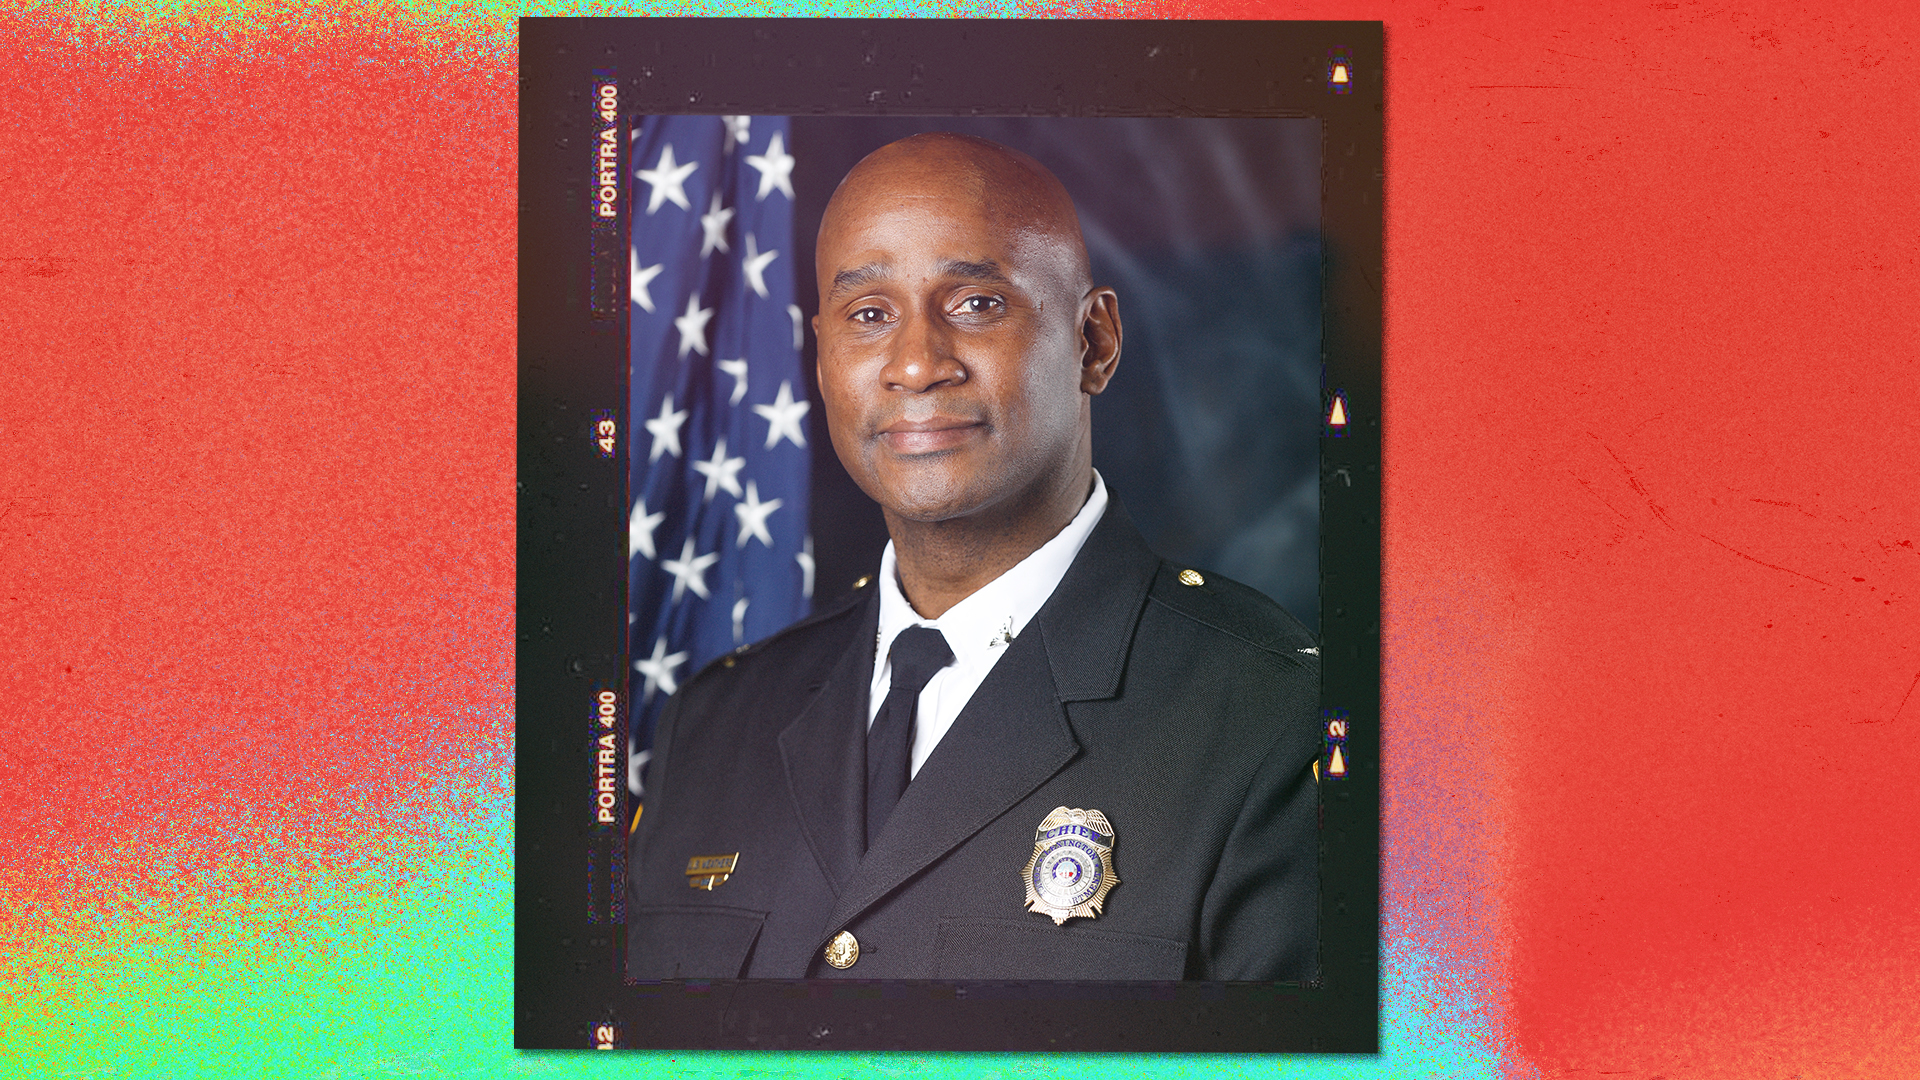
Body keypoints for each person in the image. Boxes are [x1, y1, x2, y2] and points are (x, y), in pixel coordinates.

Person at [626, 132, 1320, 981]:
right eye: (869, 314)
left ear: (1094, 342)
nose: (916, 363)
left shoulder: (1270, 716)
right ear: (822, 356)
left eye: (976, 303)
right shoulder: (716, 722)